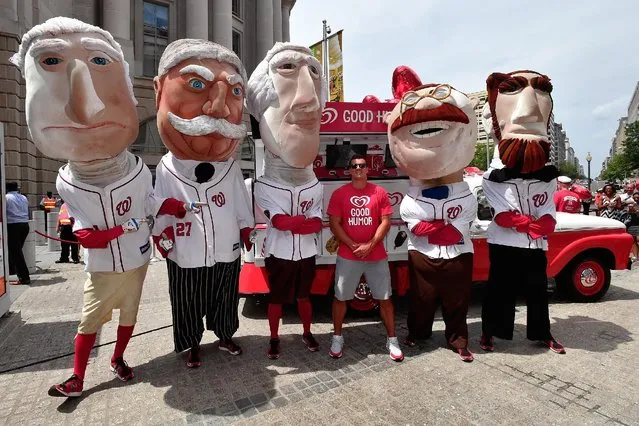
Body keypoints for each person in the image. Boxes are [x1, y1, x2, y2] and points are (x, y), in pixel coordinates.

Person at [11, 17, 198, 398]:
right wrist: (119, 229)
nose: (86, 109)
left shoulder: (137, 171)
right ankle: (78, 377)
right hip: (101, 269)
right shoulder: (68, 180)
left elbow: (149, 202)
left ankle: (119, 358)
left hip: (137, 260)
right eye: (50, 62)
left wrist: (172, 207)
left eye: (98, 62)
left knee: (129, 317)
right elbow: (83, 234)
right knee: (89, 322)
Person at [152, 39, 254, 368]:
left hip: (225, 247)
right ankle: (190, 343)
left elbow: (240, 203)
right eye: (197, 84)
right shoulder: (166, 167)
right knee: (186, 299)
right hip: (187, 249)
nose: (218, 109)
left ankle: (225, 334)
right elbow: (158, 207)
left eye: (234, 92)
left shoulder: (231, 169)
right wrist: (162, 230)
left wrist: (246, 229)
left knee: (225, 294)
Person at [380, 66, 479, 362]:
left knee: (457, 302)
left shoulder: (467, 193)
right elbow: (418, 230)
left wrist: (434, 225)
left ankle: (458, 339)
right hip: (423, 256)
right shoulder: (411, 198)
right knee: (420, 300)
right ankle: (418, 333)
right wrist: (439, 225)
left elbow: (453, 232)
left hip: (458, 254)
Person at [246, 42, 326, 360]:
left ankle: (307, 333)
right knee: (277, 299)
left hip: (304, 252)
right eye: (289, 69)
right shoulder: (264, 184)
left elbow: (314, 223)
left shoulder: (315, 183)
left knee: (305, 298)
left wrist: (297, 223)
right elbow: (280, 222)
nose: (308, 98)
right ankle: (275, 338)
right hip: (279, 252)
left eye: (313, 72)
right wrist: (299, 223)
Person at [480, 69, 565, 355]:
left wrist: (545, 222)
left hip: (535, 245)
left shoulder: (548, 177)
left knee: (538, 290)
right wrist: (531, 222)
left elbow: (548, 209)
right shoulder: (493, 176)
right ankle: (491, 333)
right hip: (504, 244)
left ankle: (542, 333)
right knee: (499, 291)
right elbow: (503, 216)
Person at [327, 154, 403, 361]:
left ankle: (392, 340)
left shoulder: (379, 192)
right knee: (340, 297)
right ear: (349, 170)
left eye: (362, 165)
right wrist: (353, 245)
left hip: (376, 255)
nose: (358, 169)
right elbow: (334, 223)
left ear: (368, 169)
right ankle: (337, 337)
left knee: (385, 298)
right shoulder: (339, 194)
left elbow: (385, 222)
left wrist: (370, 245)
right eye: (354, 166)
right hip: (347, 255)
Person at [5, 182, 31, 285]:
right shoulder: (23, 198)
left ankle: (24, 277)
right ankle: (12, 270)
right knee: (16, 251)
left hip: (13, 225)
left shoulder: (6, 198)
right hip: (24, 225)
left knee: (16, 253)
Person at [625, 193, 639, 262]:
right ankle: (636, 257)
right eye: (635, 198)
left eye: (638, 197)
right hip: (632, 224)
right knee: (633, 240)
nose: (636, 199)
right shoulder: (630, 204)